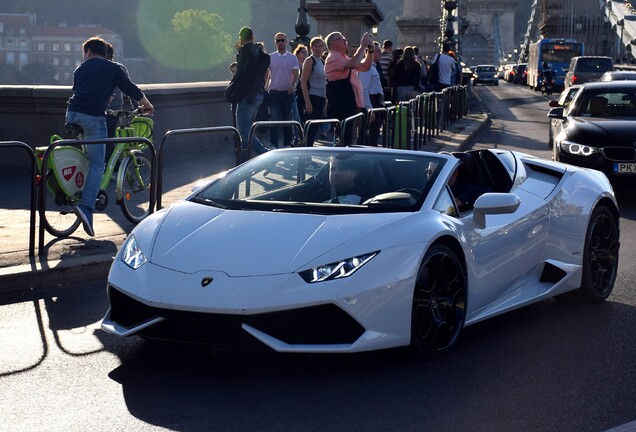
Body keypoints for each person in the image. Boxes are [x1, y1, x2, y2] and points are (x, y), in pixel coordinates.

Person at [66, 36, 154, 237]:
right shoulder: (114, 69)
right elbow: (130, 89)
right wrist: (147, 105)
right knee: (98, 164)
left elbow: (82, 92)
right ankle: (86, 207)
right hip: (92, 118)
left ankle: (77, 190)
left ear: (88, 52)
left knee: (87, 159)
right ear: (105, 53)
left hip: (71, 114)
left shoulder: (79, 69)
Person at [324, 31, 373, 144]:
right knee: (346, 138)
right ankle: (341, 161)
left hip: (352, 102)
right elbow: (354, 64)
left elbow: (365, 67)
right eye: (342, 39)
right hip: (343, 103)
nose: (346, 41)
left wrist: (370, 51)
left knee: (354, 138)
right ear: (333, 43)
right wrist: (362, 46)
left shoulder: (344, 57)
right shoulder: (333, 57)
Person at [234, 27, 270, 156]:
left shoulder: (246, 50)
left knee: (243, 129)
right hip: (258, 92)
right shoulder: (259, 51)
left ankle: (263, 153)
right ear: (253, 37)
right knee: (249, 127)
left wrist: (239, 53)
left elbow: (242, 72)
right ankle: (244, 158)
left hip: (247, 94)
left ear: (241, 39)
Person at [267, 32, 299, 148]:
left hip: (287, 93)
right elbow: (267, 73)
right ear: (275, 43)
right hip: (274, 92)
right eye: (278, 40)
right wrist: (265, 86)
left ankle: (287, 144)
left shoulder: (292, 57)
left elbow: (296, 72)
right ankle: (273, 144)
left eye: (282, 40)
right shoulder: (270, 57)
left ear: (286, 41)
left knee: (288, 119)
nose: (280, 42)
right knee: (274, 120)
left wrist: (293, 84)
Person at [300, 36, 327, 146]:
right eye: (316, 46)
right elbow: (303, 82)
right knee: (310, 129)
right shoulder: (309, 61)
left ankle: (309, 150)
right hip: (312, 97)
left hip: (321, 97)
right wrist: (307, 102)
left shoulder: (321, 61)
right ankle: (305, 152)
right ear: (311, 47)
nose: (318, 48)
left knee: (315, 128)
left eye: (320, 46)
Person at [358, 41, 384, 145]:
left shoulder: (374, 66)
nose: (379, 53)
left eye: (379, 51)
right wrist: (369, 109)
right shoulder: (366, 67)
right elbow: (364, 89)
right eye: (377, 51)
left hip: (377, 100)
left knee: (375, 131)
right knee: (370, 133)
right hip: (371, 101)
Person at [292, 44, 308, 143]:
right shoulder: (295, 64)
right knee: (297, 115)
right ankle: (297, 136)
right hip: (297, 92)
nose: (305, 54)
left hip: (306, 92)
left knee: (305, 116)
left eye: (306, 52)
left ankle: (304, 136)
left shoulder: (308, 63)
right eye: (303, 52)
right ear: (297, 54)